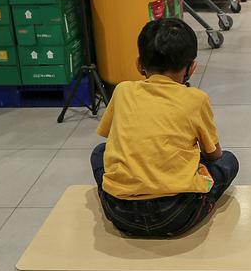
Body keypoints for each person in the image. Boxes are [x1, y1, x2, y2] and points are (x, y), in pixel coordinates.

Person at [91, 18, 239, 237]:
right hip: (176, 214)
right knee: (228, 162)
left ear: (139, 64)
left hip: (120, 213)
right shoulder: (196, 99)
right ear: (192, 68)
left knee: (99, 153)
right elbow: (214, 154)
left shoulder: (122, 91)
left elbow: (113, 138)